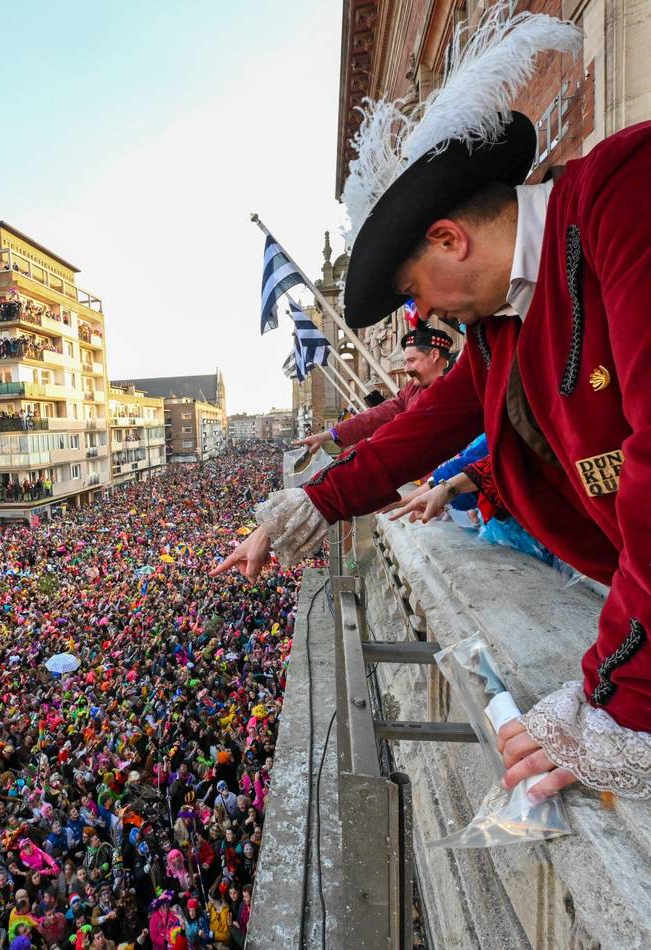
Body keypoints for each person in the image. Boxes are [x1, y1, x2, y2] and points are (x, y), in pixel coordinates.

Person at [214, 6, 651, 801]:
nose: (427, 316)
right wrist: (310, 505)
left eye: (416, 291)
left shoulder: (624, 190)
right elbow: (423, 428)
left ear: (450, 238)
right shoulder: (499, 330)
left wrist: (626, 695)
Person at [295, 320, 453, 453]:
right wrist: (329, 435)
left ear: (434, 355)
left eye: (411, 361)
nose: (406, 369)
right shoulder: (412, 388)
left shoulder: (456, 387)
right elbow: (376, 416)